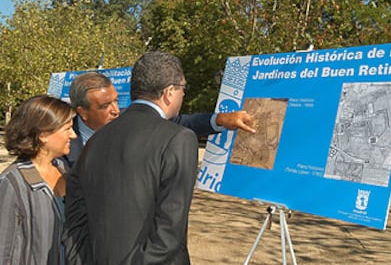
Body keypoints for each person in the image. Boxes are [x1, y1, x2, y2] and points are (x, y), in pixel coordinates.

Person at [64, 51, 203, 264]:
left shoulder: (94, 140)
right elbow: (169, 232)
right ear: (169, 92)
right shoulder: (179, 138)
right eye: (183, 88)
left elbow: (74, 219)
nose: (183, 95)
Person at [63, 71, 256, 167]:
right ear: (82, 112)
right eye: (105, 106)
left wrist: (221, 119)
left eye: (115, 101)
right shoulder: (61, 144)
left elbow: (180, 123)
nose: (115, 111)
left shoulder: (129, 119)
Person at [0, 95, 77, 265]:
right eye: (67, 129)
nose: (73, 135)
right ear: (43, 134)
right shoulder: (12, 184)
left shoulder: (67, 173)